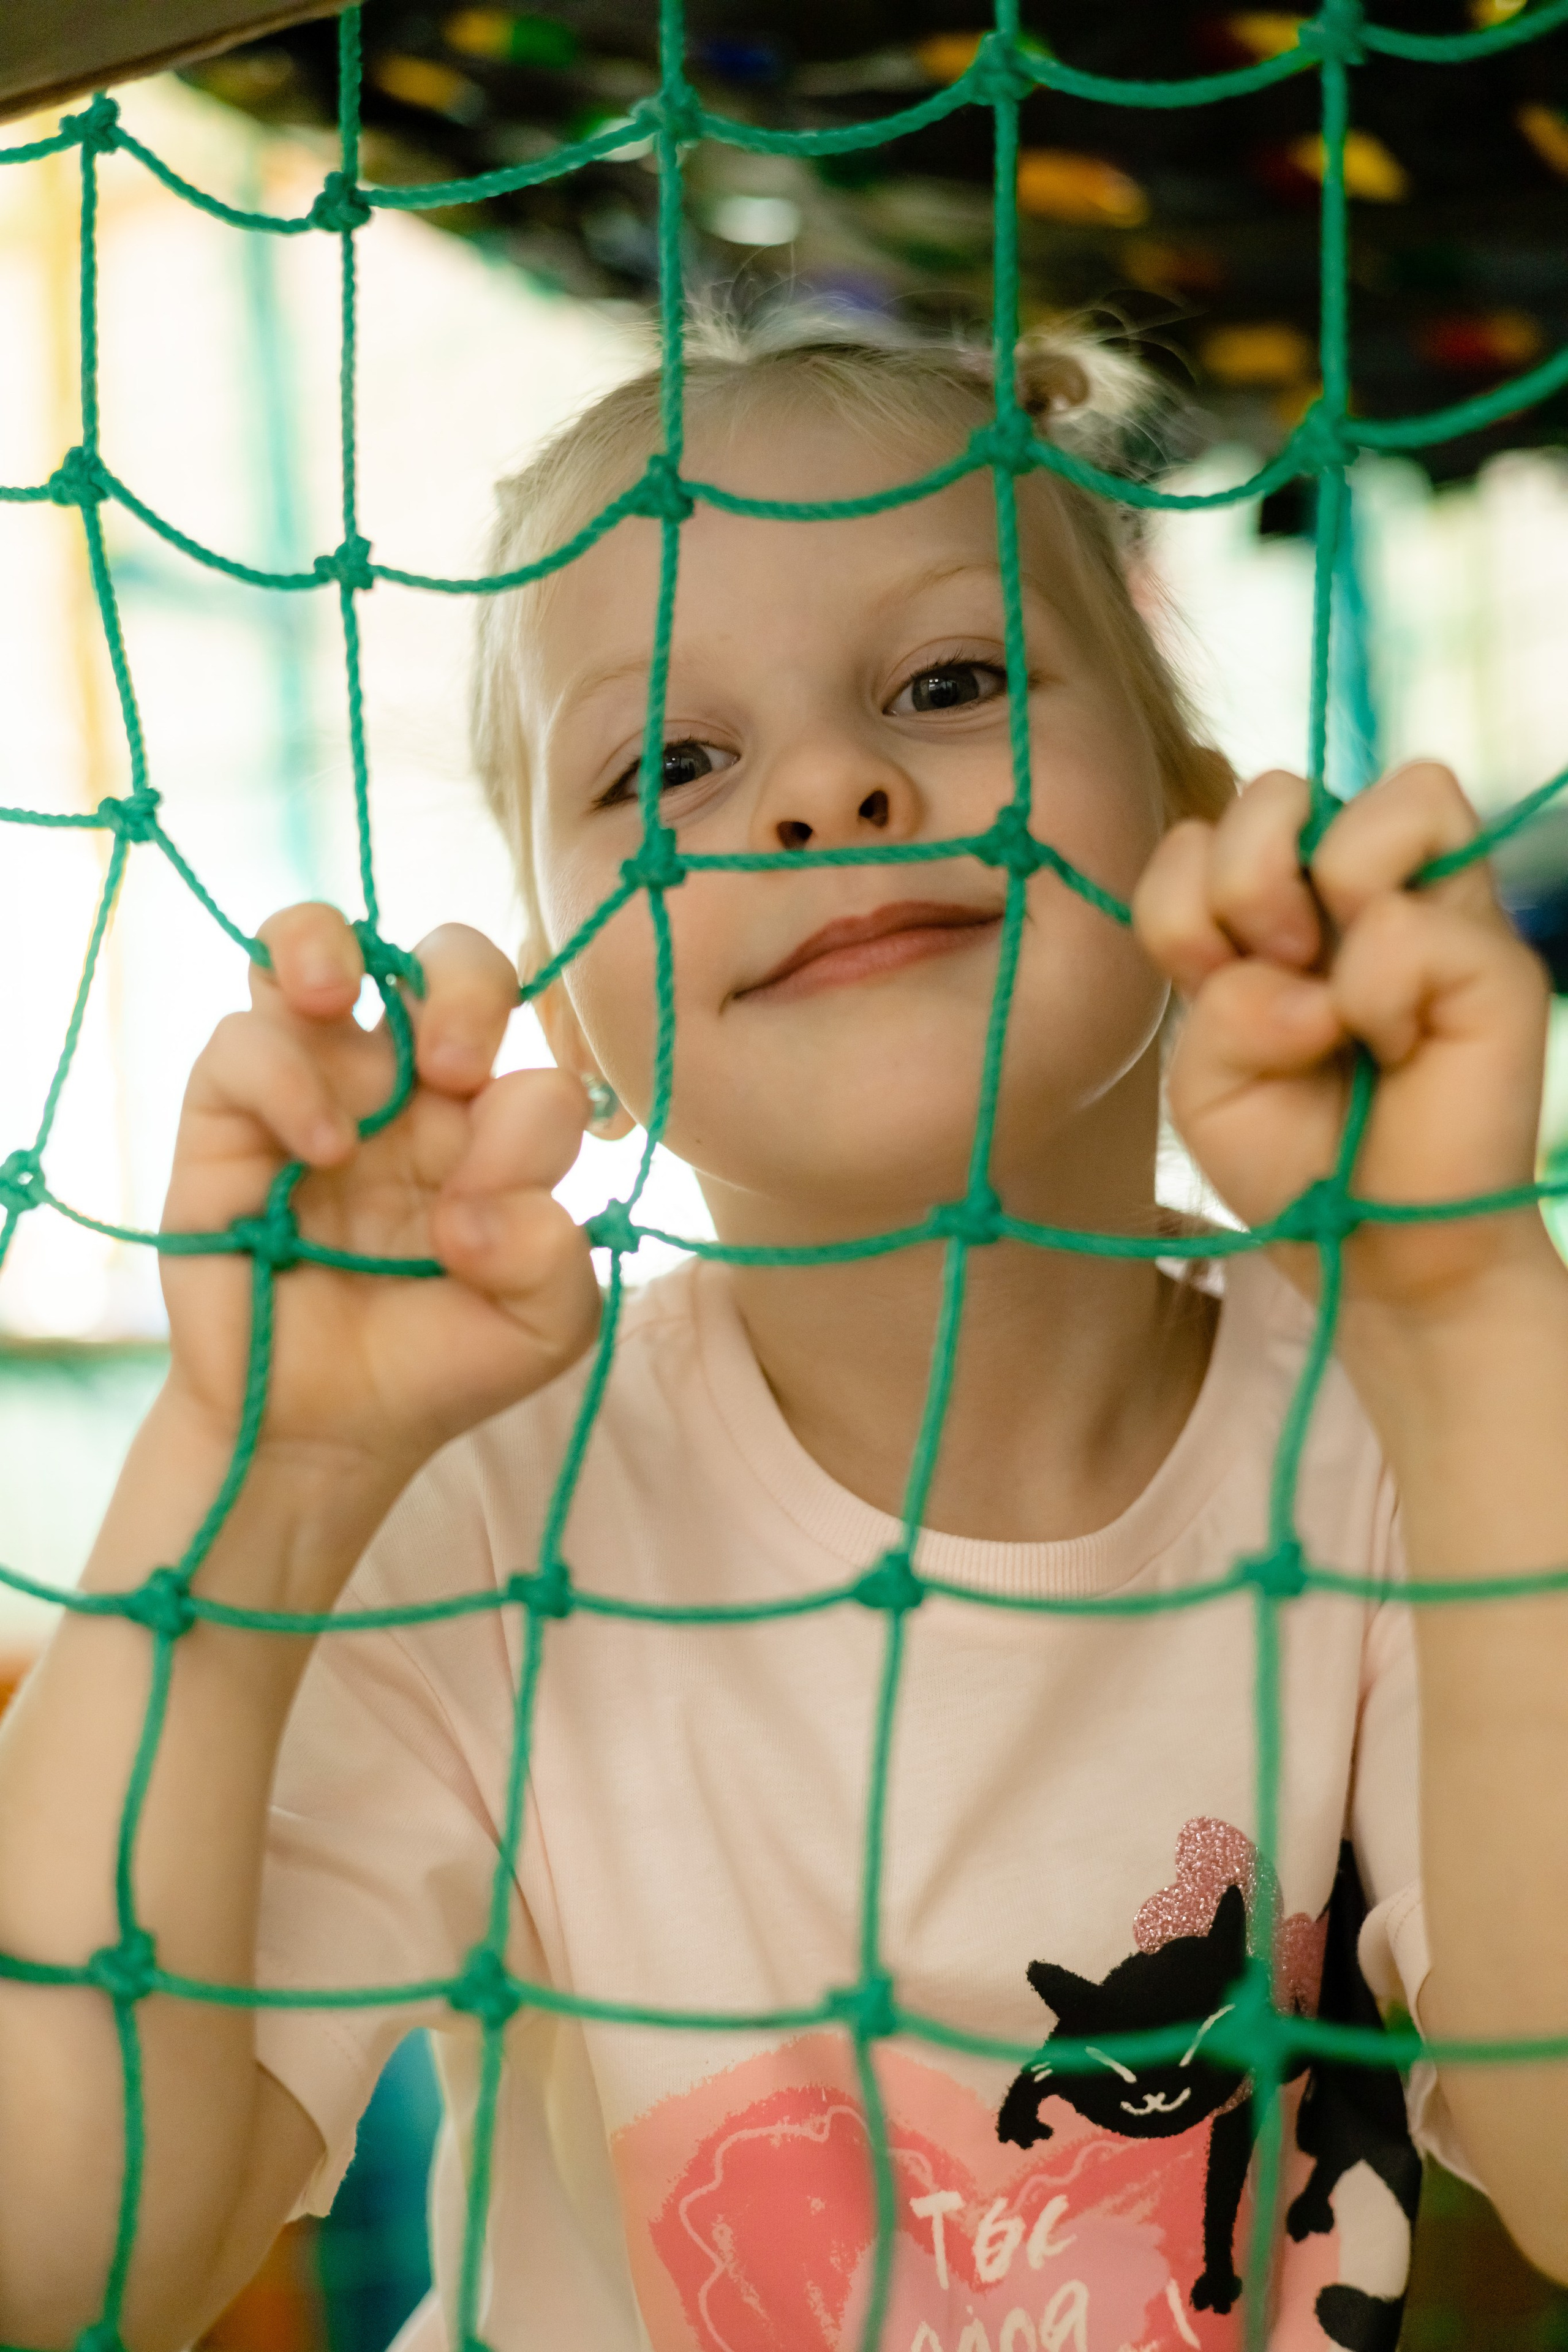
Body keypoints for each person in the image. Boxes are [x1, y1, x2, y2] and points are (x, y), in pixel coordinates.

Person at [1, 325, 1565, 2352]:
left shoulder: (1397, 1434)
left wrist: (1471, 1327)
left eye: (949, 681)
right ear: (572, 1010)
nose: (832, 783)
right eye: (671, 762)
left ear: (1187, 824)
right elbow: (52, 2257)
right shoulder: (496, 1497)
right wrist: (253, 1484)